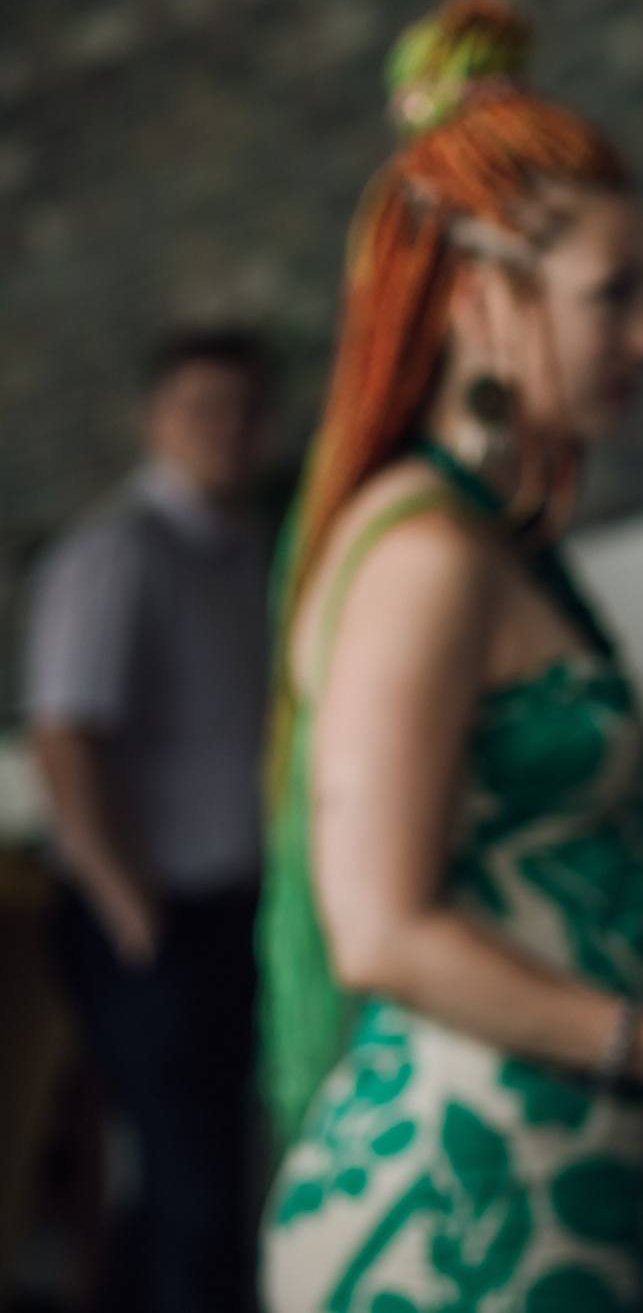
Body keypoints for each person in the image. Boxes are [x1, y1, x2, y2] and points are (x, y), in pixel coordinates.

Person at [258, 0, 643, 1313]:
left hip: (544, 1181)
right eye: (614, 294)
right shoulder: (424, 557)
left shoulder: (494, 541)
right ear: (480, 293)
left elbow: (538, 907)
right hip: (448, 1210)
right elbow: (382, 930)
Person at [24, 327, 277, 1313]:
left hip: (228, 911)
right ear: (153, 421)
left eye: (246, 408)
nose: (228, 428)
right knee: (192, 1192)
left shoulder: (242, 554)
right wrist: (136, 916)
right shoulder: (116, 553)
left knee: (204, 1183)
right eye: (203, 406)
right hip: (153, 918)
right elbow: (66, 740)